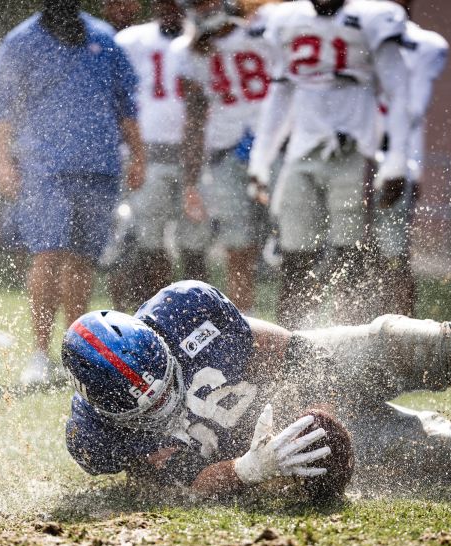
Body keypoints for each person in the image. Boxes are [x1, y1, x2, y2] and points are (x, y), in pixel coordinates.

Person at [61, 280, 451, 498]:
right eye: (151, 406)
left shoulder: (185, 309)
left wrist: (321, 405)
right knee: (444, 449)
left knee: (404, 342)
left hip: (307, 375)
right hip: (275, 443)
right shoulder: (95, 437)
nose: (166, 400)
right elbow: (188, 482)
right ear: (110, 411)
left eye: (166, 382)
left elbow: (293, 350)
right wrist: (250, 468)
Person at [0, 0, 147, 387]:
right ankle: (39, 354)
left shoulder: (104, 37)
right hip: (43, 165)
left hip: (99, 164)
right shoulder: (21, 41)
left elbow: (126, 105)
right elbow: (2, 111)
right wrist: (3, 162)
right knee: (48, 254)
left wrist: (139, 155)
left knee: (81, 260)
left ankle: (73, 353)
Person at [247, 0, 412, 328]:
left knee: (352, 255)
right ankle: (290, 346)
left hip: (354, 151)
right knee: (295, 256)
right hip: (302, 152)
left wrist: (396, 161)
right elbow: (280, 95)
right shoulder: (288, 19)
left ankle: (352, 345)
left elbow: (399, 92)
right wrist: (260, 161)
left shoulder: (371, 17)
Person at [174, 0, 277, 313]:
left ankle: (292, 322)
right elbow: (193, 116)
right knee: (237, 244)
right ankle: (246, 320)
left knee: (291, 243)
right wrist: (190, 179)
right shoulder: (189, 51)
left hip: (273, 146)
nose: (200, 9)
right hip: (226, 151)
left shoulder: (264, 29)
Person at [114, 0, 204, 308]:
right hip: (150, 152)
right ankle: (154, 311)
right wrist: (128, 150)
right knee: (147, 239)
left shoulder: (204, 38)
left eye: (176, 4)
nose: (169, 10)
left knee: (195, 241)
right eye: (163, 3)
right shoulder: (132, 40)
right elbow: (117, 95)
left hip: (196, 153)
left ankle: (195, 310)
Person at [371, 5, 449, 316]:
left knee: (393, 256)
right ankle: (365, 325)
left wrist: (401, 166)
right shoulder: (357, 31)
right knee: (357, 255)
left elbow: (412, 108)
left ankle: (403, 325)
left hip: (396, 160)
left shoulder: (425, 45)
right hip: (357, 156)